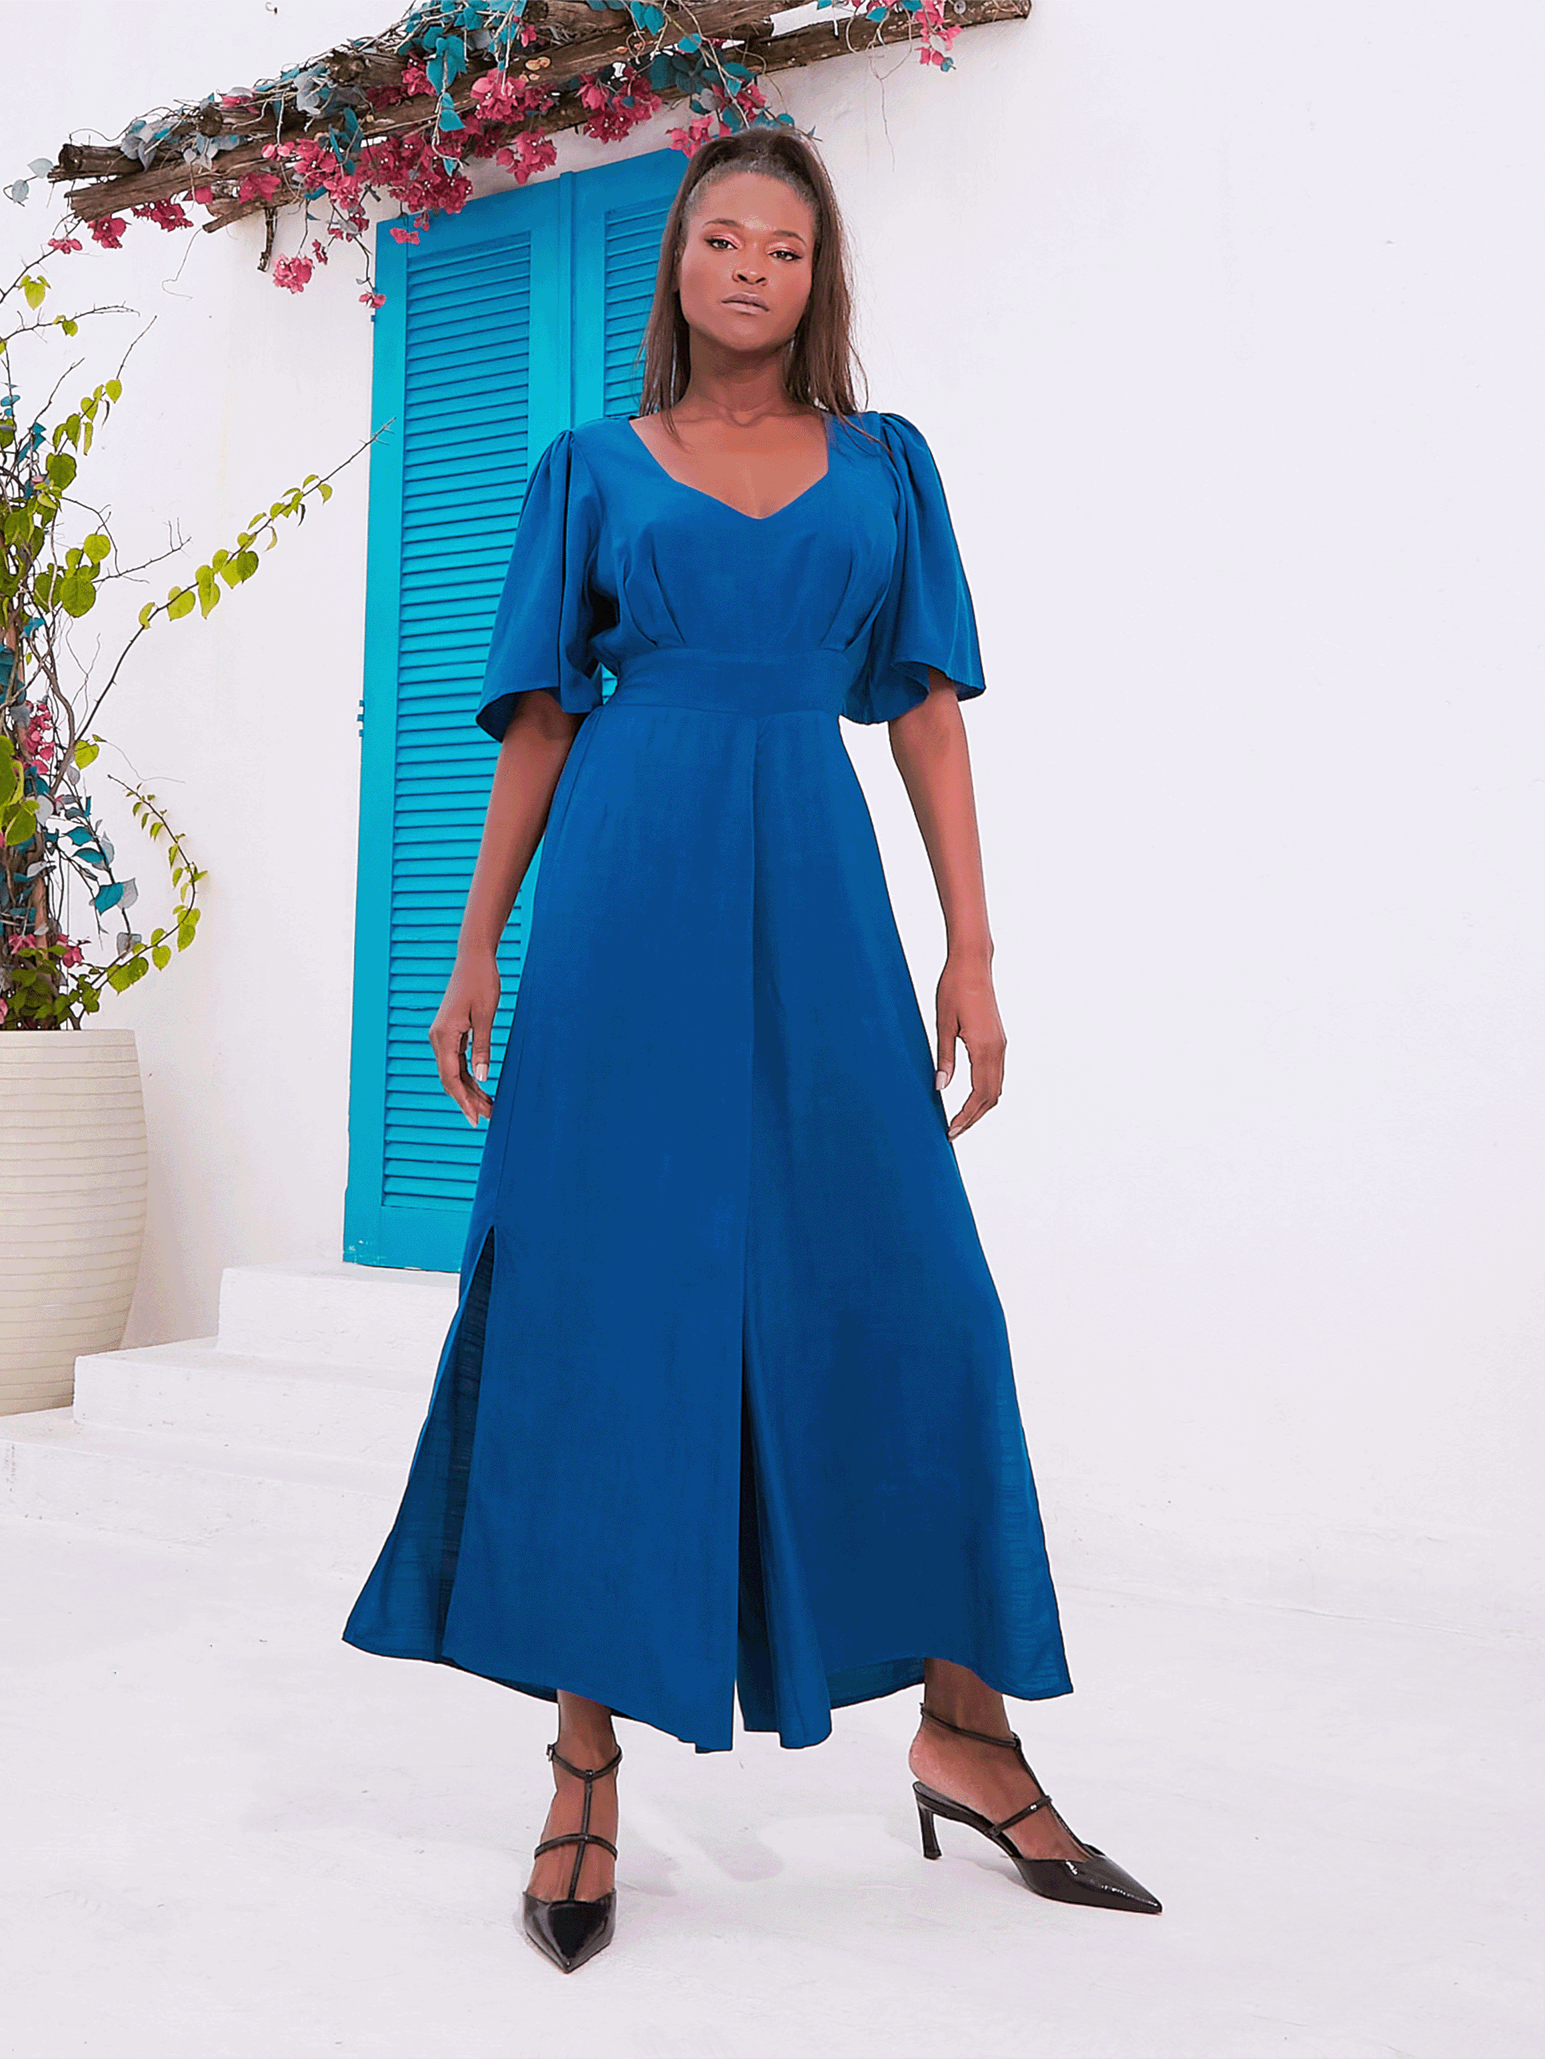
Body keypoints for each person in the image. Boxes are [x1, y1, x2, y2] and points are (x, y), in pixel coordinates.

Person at [343, 126, 1160, 1973]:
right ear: (681, 261)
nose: (750, 269)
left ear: (817, 277)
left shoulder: (886, 466)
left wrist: (972, 947)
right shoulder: (587, 469)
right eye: (722, 237)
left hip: (816, 903)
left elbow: (926, 713)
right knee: (604, 1305)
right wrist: (473, 945)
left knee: (914, 1294)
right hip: (627, 905)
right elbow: (541, 722)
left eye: (784, 248)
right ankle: (583, 1763)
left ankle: (966, 1732)